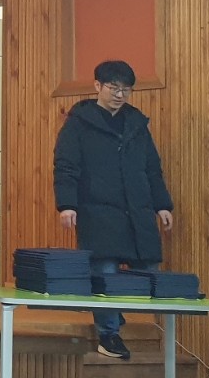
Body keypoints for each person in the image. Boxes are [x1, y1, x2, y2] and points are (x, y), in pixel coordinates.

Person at [53, 60, 173, 361]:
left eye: (126, 90)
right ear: (97, 86)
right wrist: (67, 205)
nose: (120, 95)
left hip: (137, 210)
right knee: (104, 272)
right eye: (113, 88)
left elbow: (152, 168)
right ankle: (108, 334)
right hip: (98, 210)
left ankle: (115, 316)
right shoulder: (79, 123)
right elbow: (66, 166)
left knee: (148, 272)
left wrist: (162, 204)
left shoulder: (137, 124)